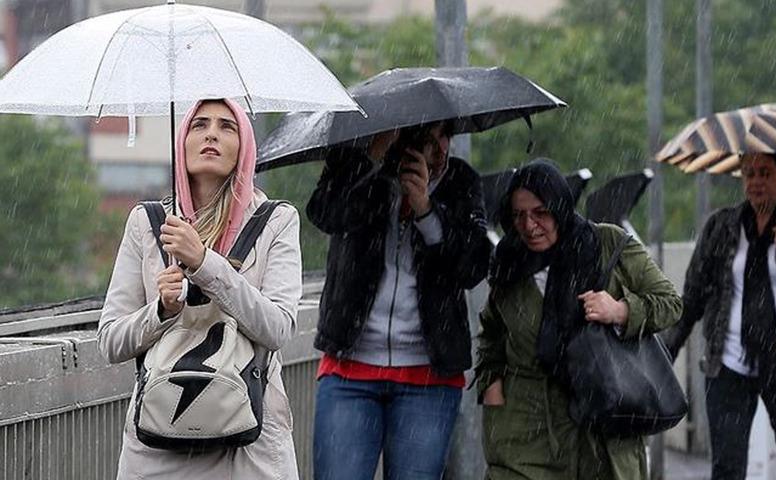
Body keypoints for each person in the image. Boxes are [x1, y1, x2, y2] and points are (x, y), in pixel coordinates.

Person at [98, 99, 302, 480]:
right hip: (160, 446)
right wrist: (161, 310)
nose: (212, 133)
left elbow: (278, 328)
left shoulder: (276, 221)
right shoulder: (148, 223)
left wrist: (204, 263)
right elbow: (111, 340)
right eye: (199, 124)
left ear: (244, 147)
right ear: (181, 142)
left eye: (227, 126)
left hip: (249, 448)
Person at [307, 120, 492, 480]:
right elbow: (326, 214)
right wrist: (371, 161)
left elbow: (472, 266)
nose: (438, 147)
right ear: (399, 136)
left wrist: (426, 210)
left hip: (429, 375)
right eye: (426, 136)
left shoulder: (460, 182)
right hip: (350, 369)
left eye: (445, 135)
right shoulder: (356, 167)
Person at [475, 159, 682, 480]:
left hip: (602, 417)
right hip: (525, 427)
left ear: (559, 207)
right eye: (519, 215)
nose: (529, 226)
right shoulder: (509, 264)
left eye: (540, 212)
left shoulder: (608, 244)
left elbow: (670, 304)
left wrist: (621, 311)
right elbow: (491, 332)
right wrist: (492, 385)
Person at [661, 153, 776, 480]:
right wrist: (665, 352)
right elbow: (691, 297)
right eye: (748, 173)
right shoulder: (722, 226)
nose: (755, 181)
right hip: (730, 364)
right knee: (727, 468)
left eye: (765, 172)